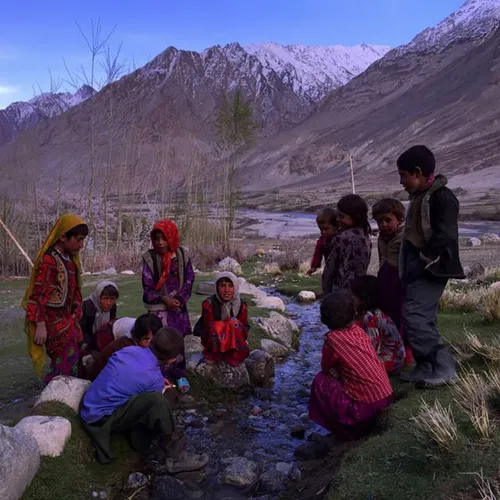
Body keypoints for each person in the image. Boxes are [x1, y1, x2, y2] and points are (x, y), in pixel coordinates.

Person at [80, 327, 209, 471]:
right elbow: (153, 408)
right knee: (158, 402)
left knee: (150, 400)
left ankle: (146, 443)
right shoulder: (153, 379)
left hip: (89, 404)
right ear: (172, 359)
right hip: (99, 419)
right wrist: (159, 386)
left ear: (152, 340)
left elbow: (128, 375)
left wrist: (158, 380)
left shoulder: (130, 350)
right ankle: (177, 458)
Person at [397, 145, 465, 387]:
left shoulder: (442, 198)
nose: (401, 181)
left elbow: (446, 235)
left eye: (403, 175)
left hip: (433, 267)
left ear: (417, 173)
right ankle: (425, 366)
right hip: (419, 266)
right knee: (423, 316)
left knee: (415, 316)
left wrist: (424, 257)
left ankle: (445, 368)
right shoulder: (419, 197)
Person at [309, 291, 393, 439]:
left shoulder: (332, 340)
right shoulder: (358, 331)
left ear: (324, 318)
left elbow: (326, 367)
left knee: (321, 381)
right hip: (385, 397)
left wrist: (334, 371)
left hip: (365, 409)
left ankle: (346, 430)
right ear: (353, 313)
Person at [21, 214, 88, 383]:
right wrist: (40, 324)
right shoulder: (49, 261)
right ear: (63, 237)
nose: (81, 245)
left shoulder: (71, 262)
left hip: (67, 322)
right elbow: (38, 295)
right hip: (52, 324)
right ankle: (54, 400)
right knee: (65, 363)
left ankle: (63, 395)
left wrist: (76, 312)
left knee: (72, 360)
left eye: (83, 240)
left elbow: (75, 293)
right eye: (78, 240)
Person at [142, 219, 195, 393]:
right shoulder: (150, 259)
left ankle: (179, 375)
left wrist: (179, 299)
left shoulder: (182, 255)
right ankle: (160, 379)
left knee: (177, 343)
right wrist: (165, 299)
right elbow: (148, 289)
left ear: (172, 237)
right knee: (160, 344)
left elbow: (189, 280)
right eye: (156, 238)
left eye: (164, 238)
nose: (160, 242)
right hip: (159, 311)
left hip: (178, 309)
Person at [372, 198, 413, 365]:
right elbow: (382, 258)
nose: (383, 224)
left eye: (388, 220)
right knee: (388, 316)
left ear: (400, 219)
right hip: (385, 280)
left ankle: (406, 352)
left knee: (403, 317)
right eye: (380, 221)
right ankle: (390, 348)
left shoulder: (406, 237)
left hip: (400, 282)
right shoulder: (382, 238)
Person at [83, 313, 163, 381]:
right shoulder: (126, 346)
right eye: (146, 339)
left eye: (153, 339)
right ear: (138, 337)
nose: (150, 343)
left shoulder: (145, 329)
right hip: (108, 332)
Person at [351, 276, 405, 374]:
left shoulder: (370, 317)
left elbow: (372, 348)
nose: (351, 298)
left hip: (392, 360)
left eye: (354, 295)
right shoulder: (364, 313)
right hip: (387, 354)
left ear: (363, 298)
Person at [195, 271, 250, 366]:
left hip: (234, 342)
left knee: (233, 322)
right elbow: (208, 328)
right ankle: (215, 355)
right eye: (222, 286)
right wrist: (224, 328)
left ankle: (234, 354)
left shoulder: (241, 304)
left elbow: (244, 329)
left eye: (230, 286)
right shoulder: (209, 304)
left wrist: (231, 329)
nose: (226, 290)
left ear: (235, 287)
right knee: (217, 325)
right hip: (213, 342)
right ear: (216, 287)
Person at [322, 194, 372, 295]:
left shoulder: (343, 238)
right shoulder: (366, 236)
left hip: (340, 294)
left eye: (341, 216)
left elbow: (330, 269)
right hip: (357, 294)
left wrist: (326, 291)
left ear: (355, 217)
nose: (338, 220)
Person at [80, 280, 119, 346]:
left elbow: (110, 325)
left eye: (112, 299)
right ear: (98, 297)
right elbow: (84, 331)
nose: (109, 303)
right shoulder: (88, 306)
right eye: (105, 298)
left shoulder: (113, 307)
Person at [307, 208, 338, 275]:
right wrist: (314, 266)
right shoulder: (323, 240)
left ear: (336, 226)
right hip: (330, 268)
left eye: (326, 229)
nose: (323, 232)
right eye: (321, 229)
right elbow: (318, 252)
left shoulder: (343, 238)